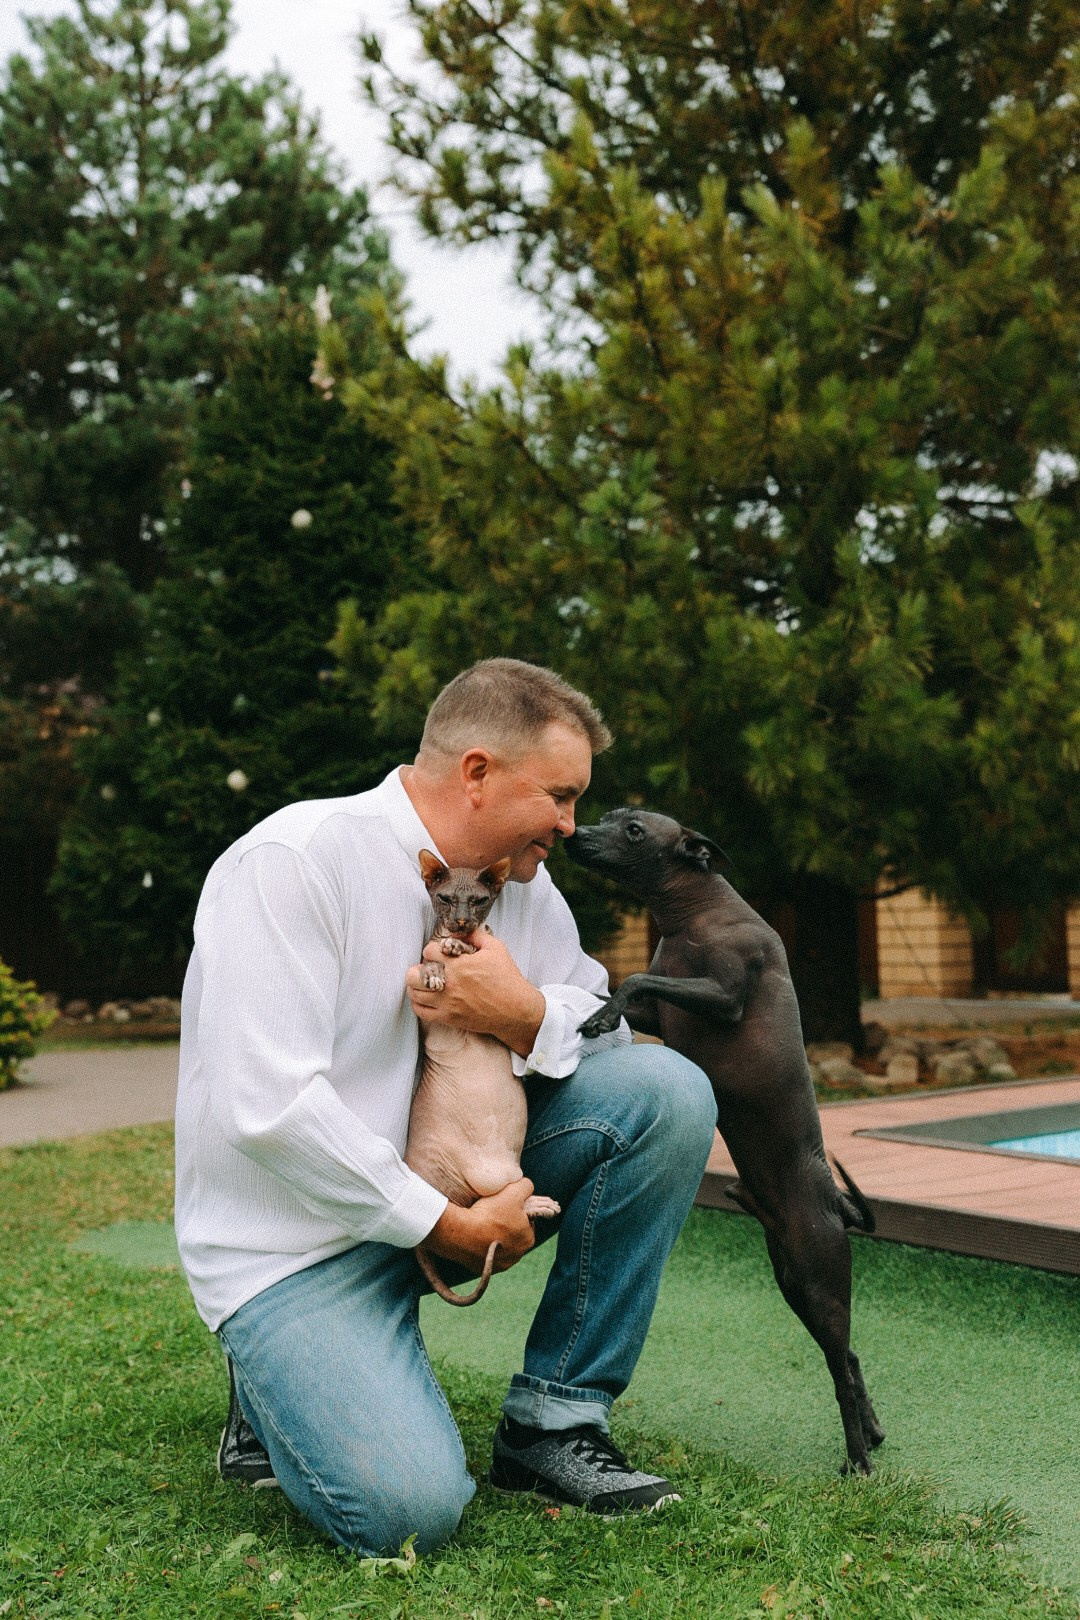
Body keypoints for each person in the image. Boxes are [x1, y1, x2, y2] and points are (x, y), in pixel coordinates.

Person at [174, 657, 716, 1556]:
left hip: (460, 1178)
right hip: (299, 1250)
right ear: (477, 772)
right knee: (408, 1513)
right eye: (563, 795)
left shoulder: (525, 886)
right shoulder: (293, 861)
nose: (573, 825)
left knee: (663, 1094)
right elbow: (266, 1108)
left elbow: (602, 1023)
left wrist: (524, 1011)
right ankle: (267, 1381)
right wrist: (441, 1224)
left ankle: (555, 1424)